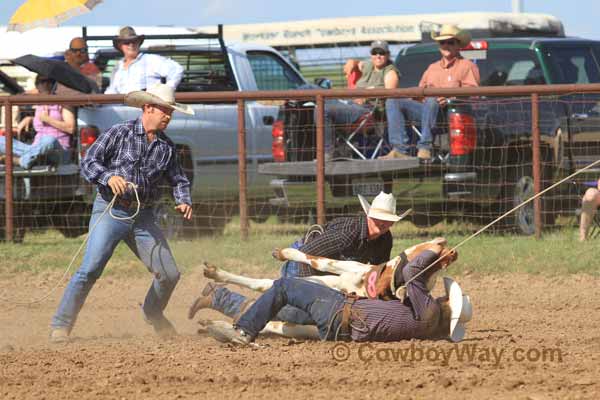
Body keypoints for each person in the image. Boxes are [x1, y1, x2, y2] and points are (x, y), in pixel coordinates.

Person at [49, 83, 194, 342]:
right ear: (148, 108)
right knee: (90, 268)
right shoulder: (119, 132)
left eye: (170, 112)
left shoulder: (167, 147)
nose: (168, 116)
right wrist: (108, 177)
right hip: (111, 209)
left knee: (170, 274)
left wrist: (183, 200)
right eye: (164, 110)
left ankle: (152, 312)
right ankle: (61, 324)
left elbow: (179, 180)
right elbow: (89, 161)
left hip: (143, 216)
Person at [188, 191, 404, 325]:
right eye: (378, 219)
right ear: (369, 215)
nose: (382, 225)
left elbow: (375, 274)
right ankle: (222, 299)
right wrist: (307, 291)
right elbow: (308, 254)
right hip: (302, 262)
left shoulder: (385, 240)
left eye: (387, 221)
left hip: (328, 275)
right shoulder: (348, 233)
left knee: (306, 313)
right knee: (295, 314)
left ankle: (220, 296)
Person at [205, 250, 473, 346]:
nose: (441, 297)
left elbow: (414, 271)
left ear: (447, 306)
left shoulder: (429, 312)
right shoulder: (429, 328)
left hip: (340, 309)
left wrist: (436, 257)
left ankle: (243, 332)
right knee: (288, 307)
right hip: (340, 329)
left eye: (445, 297)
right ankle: (224, 301)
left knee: (285, 286)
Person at [381, 24, 480, 161]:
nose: (446, 45)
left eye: (450, 42)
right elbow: (419, 93)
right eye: (442, 42)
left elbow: (473, 93)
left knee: (432, 99)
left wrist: (450, 98)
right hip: (427, 112)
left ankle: (425, 147)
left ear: (458, 45)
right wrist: (412, 95)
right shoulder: (431, 68)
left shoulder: (467, 66)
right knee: (393, 101)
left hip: (450, 116)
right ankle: (399, 150)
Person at [322, 40, 400, 159]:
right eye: (375, 52)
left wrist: (367, 94)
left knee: (323, 110)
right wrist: (351, 62)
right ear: (371, 54)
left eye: (382, 53)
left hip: (367, 111)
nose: (378, 55)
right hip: (350, 103)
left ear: (388, 55)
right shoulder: (369, 66)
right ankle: (298, 96)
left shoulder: (390, 72)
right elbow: (358, 63)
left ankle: (329, 153)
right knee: (316, 102)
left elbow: (390, 95)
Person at [0, 75, 74, 169]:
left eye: (50, 81)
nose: (46, 84)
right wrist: (30, 119)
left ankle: (21, 161)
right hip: (36, 150)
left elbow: (70, 128)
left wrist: (48, 119)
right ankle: (30, 158)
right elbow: (20, 96)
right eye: (42, 82)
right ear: (37, 85)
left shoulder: (63, 102)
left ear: (54, 84)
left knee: (48, 140)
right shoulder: (38, 102)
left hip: (58, 151)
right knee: (1, 140)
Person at [105, 26, 184, 94]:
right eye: (127, 42)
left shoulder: (151, 60)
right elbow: (112, 90)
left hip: (148, 108)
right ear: (120, 46)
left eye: (134, 41)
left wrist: (167, 89)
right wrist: (100, 102)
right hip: (122, 108)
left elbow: (176, 69)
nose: (131, 45)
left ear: (139, 43)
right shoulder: (118, 67)